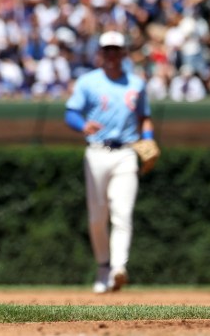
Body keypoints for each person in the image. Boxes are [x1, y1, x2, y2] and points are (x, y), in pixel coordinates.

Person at [64, 31, 155, 294]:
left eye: (116, 50)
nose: (112, 55)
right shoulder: (88, 82)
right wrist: (83, 125)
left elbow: (144, 117)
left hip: (126, 152)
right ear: (100, 54)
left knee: (122, 212)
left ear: (124, 53)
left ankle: (118, 268)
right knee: (97, 217)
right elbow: (71, 113)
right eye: (107, 50)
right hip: (96, 152)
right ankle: (103, 266)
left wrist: (148, 139)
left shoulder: (136, 84)